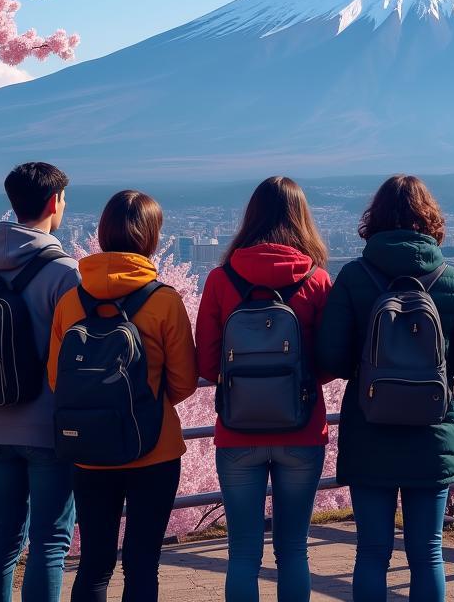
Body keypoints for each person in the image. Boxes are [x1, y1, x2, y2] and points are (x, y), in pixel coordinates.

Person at [317, 175, 454, 602]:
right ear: (430, 219)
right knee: (428, 552)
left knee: (372, 551)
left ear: (373, 219)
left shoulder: (355, 278)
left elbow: (330, 359)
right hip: (432, 433)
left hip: (369, 428)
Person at [48, 190, 198, 602]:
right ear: (151, 236)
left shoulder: (70, 302)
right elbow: (184, 381)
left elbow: (58, 380)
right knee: (141, 561)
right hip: (154, 449)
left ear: (102, 233)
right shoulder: (164, 301)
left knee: (94, 562)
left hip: (89, 448)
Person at [195, 177, 333, 602]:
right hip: (302, 430)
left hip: (237, 431)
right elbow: (329, 362)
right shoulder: (317, 280)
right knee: (293, 550)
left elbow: (205, 362)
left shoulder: (221, 280)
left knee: (242, 552)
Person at [0, 161, 80, 602]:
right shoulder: (66, 273)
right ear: (54, 202)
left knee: (5, 536)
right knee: (50, 541)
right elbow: (78, 357)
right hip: (50, 427)